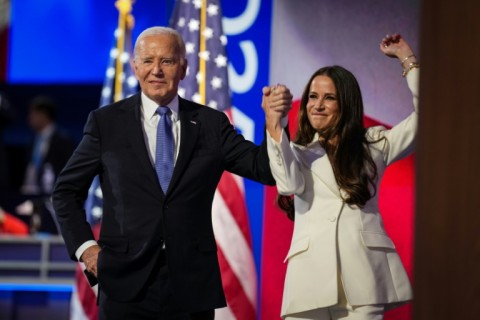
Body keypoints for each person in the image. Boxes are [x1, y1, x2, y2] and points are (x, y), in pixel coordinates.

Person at [52, 26, 292, 320]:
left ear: (184, 67)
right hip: (125, 283)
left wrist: (274, 124)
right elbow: (65, 192)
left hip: (191, 285)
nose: (156, 70)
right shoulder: (106, 123)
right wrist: (87, 250)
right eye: (148, 60)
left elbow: (265, 169)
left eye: (166, 61)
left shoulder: (210, 124)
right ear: (135, 66)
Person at [263, 33, 418, 320]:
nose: (317, 105)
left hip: (364, 280)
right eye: (312, 96)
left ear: (345, 104)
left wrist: (407, 59)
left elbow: (428, 116)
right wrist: (275, 125)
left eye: (329, 97)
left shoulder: (374, 144)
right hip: (308, 280)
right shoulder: (295, 151)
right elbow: (287, 184)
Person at [17, 96, 76, 234]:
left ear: (43, 115)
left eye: (32, 114)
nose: (29, 118)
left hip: (53, 199)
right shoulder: (33, 140)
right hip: (30, 194)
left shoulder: (63, 140)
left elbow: (68, 171)